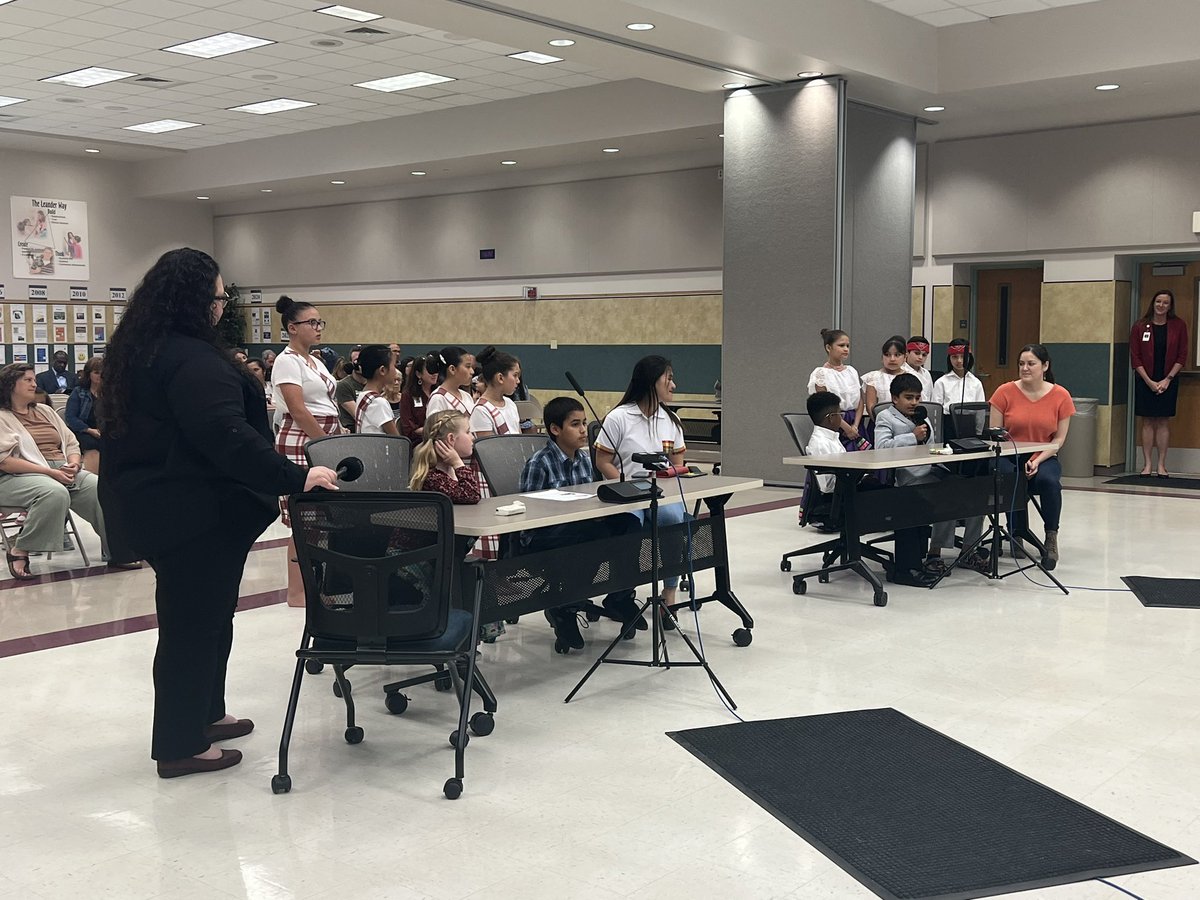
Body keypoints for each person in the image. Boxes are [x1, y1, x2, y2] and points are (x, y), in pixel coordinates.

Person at [98, 247, 338, 779]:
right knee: (192, 627)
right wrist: (297, 475)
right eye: (217, 297)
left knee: (208, 620)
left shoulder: (140, 352)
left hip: (159, 506)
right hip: (192, 513)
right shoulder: (191, 360)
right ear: (194, 301)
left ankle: (206, 713)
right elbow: (226, 437)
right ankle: (180, 744)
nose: (221, 305)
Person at [519, 397, 640, 650]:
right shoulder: (539, 463)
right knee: (590, 537)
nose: (584, 430)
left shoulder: (585, 459)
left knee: (628, 525)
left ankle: (620, 597)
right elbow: (529, 517)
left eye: (584, 423)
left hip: (581, 527)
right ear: (555, 429)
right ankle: (564, 607)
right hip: (544, 536)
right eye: (575, 424)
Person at [0, 363, 119, 579]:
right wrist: (49, 473)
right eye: (28, 380)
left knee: (100, 487)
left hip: (60, 470)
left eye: (34, 379)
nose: (34, 384)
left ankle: (116, 548)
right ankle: (20, 548)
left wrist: (74, 463)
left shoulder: (45, 410)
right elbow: (5, 462)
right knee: (54, 492)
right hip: (16, 475)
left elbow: (70, 441)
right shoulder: (2, 417)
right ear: (10, 385)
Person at [594, 355, 687, 629]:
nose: (674, 385)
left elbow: (678, 465)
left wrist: (667, 482)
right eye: (668, 379)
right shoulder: (619, 417)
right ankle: (622, 596)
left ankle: (669, 593)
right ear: (650, 381)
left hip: (661, 493)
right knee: (629, 525)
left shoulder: (670, 421)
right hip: (628, 493)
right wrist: (625, 487)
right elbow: (602, 461)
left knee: (672, 519)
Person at [875, 373, 987, 578]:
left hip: (933, 469)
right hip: (909, 476)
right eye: (909, 398)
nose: (914, 402)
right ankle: (934, 553)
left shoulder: (922, 416)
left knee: (974, 493)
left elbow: (931, 447)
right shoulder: (886, 417)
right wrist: (911, 437)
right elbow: (880, 448)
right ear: (895, 398)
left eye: (917, 398)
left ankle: (969, 550)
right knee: (947, 494)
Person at [272, 295, 342, 606]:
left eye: (319, 322)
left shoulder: (315, 361)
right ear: (292, 327)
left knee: (319, 521)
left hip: (323, 434)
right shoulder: (287, 360)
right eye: (311, 323)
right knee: (304, 520)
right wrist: (325, 443)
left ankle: (315, 585)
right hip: (302, 439)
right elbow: (299, 410)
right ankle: (297, 591)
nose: (318, 328)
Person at [989, 343, 1074, 570]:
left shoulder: (1061, 395)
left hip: (1043, 455)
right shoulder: (1004, 392)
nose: (1025, 368)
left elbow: (1058, 441)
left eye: (1031, 364)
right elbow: (994, 436)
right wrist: (1016, 455)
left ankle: (1051, 536)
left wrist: (1036, 460)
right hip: (1009, 454)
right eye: (1021, 364)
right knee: (1007, 476)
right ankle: (1015, 531)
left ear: (1045, 366)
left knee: (1048, 481)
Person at [1129, 289, 1188, 477]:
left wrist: (1167, 379)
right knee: (1147, 421)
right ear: (1153, 303)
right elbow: (1135, 356)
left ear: (1170, 306)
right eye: (1158, 302)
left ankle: (1161, 465)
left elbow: (1182, 354)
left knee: (1163, 421)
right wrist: (1148, 381)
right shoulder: (1140, 326)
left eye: (1165, 303)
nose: (1161, 306)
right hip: (1145, 380)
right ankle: (1147, 465)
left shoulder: (1178, 326)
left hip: (1168, 380)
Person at [807, 328, 866, 450]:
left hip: (855, 422)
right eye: (841, 345)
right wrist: (847, 428)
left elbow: (860, 400)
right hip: (835, 422)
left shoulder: (851, 371)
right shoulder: (821, 374)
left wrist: (855, 425)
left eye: (847, 346)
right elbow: (827, 405)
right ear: (829, 348)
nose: (846, 349)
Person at [408, 410, 479, 504]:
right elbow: (472, 495)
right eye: (468, 432)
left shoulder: (451, 469)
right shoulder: (434, 478)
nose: (473, 437)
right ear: (451, 439)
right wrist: (458, 463)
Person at [470, 346, 522, 438]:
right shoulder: (481, 410)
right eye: (515, 375)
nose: (518, 381)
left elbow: (520, 439)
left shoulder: (510, 403)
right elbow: (487, 449)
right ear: (500, 378)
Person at [64, 355, 104, 474]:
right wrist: (90, 430)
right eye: (96, 372)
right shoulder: (79, 392)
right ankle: (94, 479)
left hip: (104, 430)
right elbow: (70, 418)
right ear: (89, 374)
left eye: (103, 373)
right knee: (91, 443)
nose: (100, 376)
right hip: (83, 431)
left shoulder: (110, 392)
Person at [353, 345, 400, 436]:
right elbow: (397, 439)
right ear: (382, 370)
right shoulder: (379, 403)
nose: (396, 370)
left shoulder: (363, 394)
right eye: (394, 366)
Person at [931, 338, 985, 413]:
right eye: (955, 357)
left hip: (969, 421)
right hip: (947, 421)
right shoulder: (941, 382)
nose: (959, 361)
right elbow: (935, 410)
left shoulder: (976, 383)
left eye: (963, 357)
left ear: (969, 358)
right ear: (949, 358)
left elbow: (980, 411)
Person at [424, 346, 476, 419]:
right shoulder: (438, 399)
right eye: (468, 366)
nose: (472, 371)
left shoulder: (467, 396)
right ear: (452, 369)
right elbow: (433, 429)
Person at [862, 335, 907, 417]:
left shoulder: (911, 377)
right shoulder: (873, 378)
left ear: (905, 357)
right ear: (882, 357)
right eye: (887, 355)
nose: (892, 359)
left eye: (897, 355)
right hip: (879, 423)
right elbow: (871, 408)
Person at [399, 354, 436, 442]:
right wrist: (432, 431)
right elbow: (408, 429)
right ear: (418, 374)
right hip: (419, 442)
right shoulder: (407, 395)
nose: (434, 374)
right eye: (429, 370)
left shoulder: (439, 393)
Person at [334, 353, 367, 433]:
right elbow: (358, 414)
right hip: (352, 429)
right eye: (357, 360)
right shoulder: (343, 385)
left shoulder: (372, 383)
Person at [901, 335, 934, 400]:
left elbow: (931, 397)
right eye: (917, 353)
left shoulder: (926, 373)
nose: (920, 357)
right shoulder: (901, 371)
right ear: (907, 353)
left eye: (924, 355)